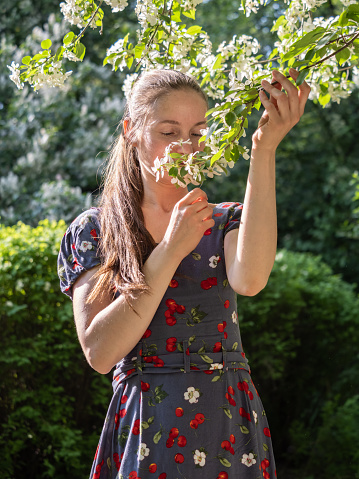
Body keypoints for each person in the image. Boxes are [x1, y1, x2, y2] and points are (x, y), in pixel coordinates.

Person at [58, 68, 310, 479]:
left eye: (197, 132)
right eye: (168, 132)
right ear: (132, 131)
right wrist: (171, 249)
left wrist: (264, 149)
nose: (184, 147)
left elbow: (250, 280)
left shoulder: (225, 221)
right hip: (147, 427)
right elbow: (100, 352)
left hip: (228, 422)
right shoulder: (95, 231)